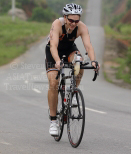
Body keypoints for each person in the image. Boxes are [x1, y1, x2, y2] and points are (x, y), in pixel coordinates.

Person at [45, 3, 100, 136]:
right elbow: (53, 46)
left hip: (69, 49)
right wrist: (58, 61)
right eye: (71, 20)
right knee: (53, 83)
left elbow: (88, 46)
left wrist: (93, 61)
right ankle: (53, 121)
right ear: (65, 17)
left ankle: (73, 90)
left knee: (79, 62)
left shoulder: (81, 27)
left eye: (77, 20)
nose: (74, 23)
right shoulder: (57, 24)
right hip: (53, 52)